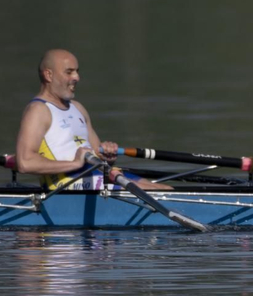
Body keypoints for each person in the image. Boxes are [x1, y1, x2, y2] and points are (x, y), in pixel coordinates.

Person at [15, 49, 170, 192]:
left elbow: (97, 154)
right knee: (153, 193)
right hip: (63, 182)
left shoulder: (78, 108)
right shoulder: (38, 110)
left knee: (165, 190)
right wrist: (75, 163)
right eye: (69, 72)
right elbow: (25, 162)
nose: (77, 77)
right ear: (49, 75)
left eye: (77, 71)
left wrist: (108, 156)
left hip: (93, 174)